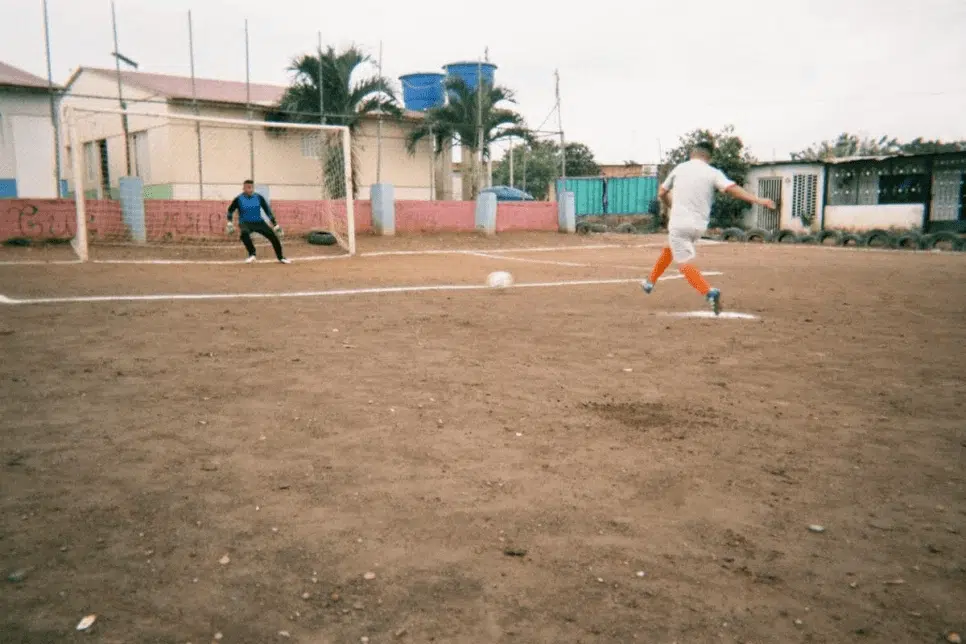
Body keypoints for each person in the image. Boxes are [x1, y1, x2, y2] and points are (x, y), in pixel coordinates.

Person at [642, 141, 775, 315]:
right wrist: (758, 200)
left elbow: (662, 193)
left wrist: (671, 206)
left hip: (679, 223)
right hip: (699, 227)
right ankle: (650, 282)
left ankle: (709, 292)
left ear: (692, 153)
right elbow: (731, 188)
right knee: (671, 247)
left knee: (683, 263)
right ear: (709, 157)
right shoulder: (713, 172)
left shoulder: (680, 169)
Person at [226, 180, 291, 264]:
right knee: (244, 234)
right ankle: (252, 254)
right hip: (245, 223)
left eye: (251, 187)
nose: (250, 189)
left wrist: (275, 225)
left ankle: (281, 257)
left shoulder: (259, 197)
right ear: (244, 188)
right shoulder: (238, 199)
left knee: (274, 237)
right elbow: (230, 210)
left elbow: (267, 211)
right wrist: (229, 222)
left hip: (259, 222)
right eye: (248, 187)